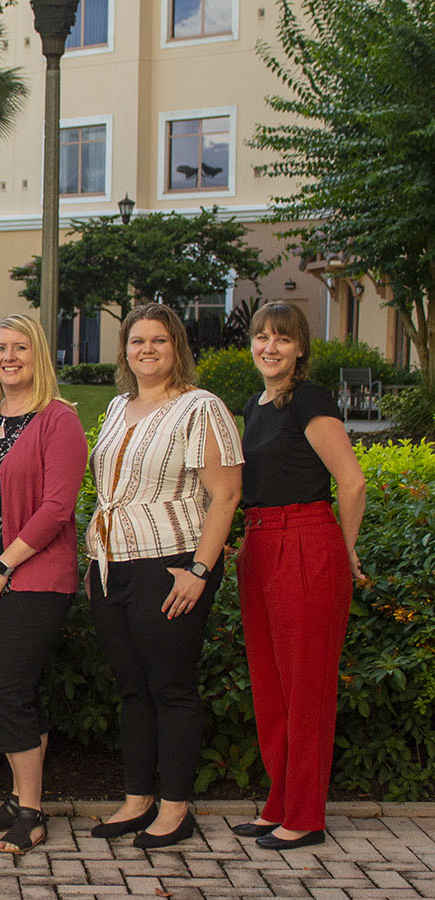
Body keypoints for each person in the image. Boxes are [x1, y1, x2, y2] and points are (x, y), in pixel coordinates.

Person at [85, 302, 243, 849]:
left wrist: (201, 570)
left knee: (171, 688)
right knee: (131, 689)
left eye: (158, 340)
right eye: (136, 341)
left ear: (177, 348)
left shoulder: (200, 408)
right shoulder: (116, 406)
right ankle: (137, 799)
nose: (146, 350)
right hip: (109, 566)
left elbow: (226, 494)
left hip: (171, 563)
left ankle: (175, 807)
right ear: (124, 350)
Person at [233, 301, 365, 851]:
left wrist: (345, 550)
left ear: (300, 348)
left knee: (305, 687)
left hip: (306, 541)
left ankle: (306, 815)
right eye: (262, 337)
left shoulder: (309, 400)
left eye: (282, 339)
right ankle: (279, 802)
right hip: (259, 543)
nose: (270, 347)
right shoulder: (255, 405)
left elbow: (351, 483)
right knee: (270, 686)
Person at [0, 315, 86, 854]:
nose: (9, 356)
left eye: (20, 347)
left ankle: (30, 813)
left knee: (6, 692)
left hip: (33, 577)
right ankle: (17, 797)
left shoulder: (58, 420)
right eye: (0, 347)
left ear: (38, 355)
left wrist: (3, 565)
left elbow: (58, 506)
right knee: (18, 691)